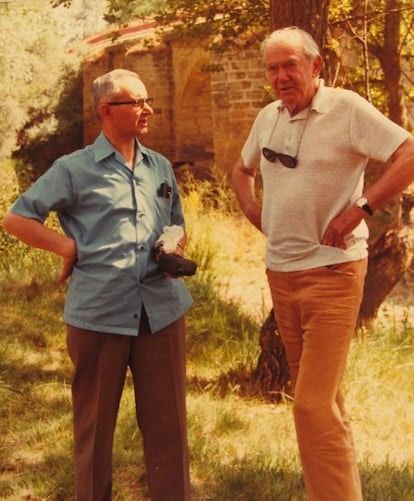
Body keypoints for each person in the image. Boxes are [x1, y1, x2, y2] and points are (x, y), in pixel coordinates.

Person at [232, 27, 414, 500]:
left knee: (310, 406)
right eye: (272, 68)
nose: (280, 76)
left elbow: (408, 153)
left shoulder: (346, 109)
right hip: (281, 273)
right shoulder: (267, 117)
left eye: (290, 65)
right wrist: (255, 211)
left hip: (333, 273)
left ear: (315, 66)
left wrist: (362, 207)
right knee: (325, 404)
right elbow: (241, 169)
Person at [2, 69, 193, 501]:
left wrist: (174, 239)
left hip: (161, 312)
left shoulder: (159, 165)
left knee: (170, 427)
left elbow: (177, 219)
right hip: (99, 314)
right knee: (94, 430)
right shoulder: (73, 169)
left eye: (147, 101)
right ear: (107, 111)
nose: (147, 110)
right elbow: (16, 217)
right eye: (136, 102)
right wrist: (67, 246)